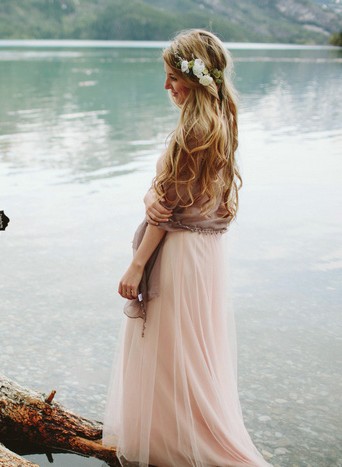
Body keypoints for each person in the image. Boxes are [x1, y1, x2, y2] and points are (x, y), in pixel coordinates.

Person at [102, 30, 271, 466]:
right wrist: (150, 198)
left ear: (194, 78)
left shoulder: (192, 130)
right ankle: (185, 435)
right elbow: (181, 200)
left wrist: (136, 267)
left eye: (173, 77)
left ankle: (178, 446)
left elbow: (164, 212)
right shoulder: (221, 122)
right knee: (193, 353)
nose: (166, 87)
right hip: (206, 255)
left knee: (169, 354)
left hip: (179, 255)